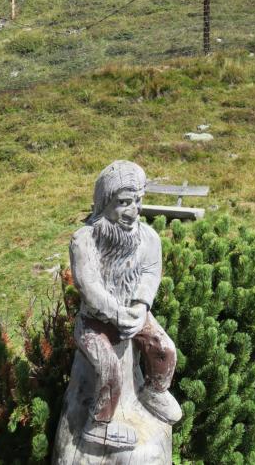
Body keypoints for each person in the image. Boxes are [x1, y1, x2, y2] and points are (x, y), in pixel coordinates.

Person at [70, 160, 182, 451]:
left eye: (138, 201)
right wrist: (115, 313)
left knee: (164, 349)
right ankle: (98, 424)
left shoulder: (148, 238)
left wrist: (141, 306)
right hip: (94, 322)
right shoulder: (85, 240)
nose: (134, 211)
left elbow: (150, 273)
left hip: (133, 312)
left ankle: (154, 391)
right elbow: (88, 285)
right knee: (110, 368)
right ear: (103, 203)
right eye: (123, 202)